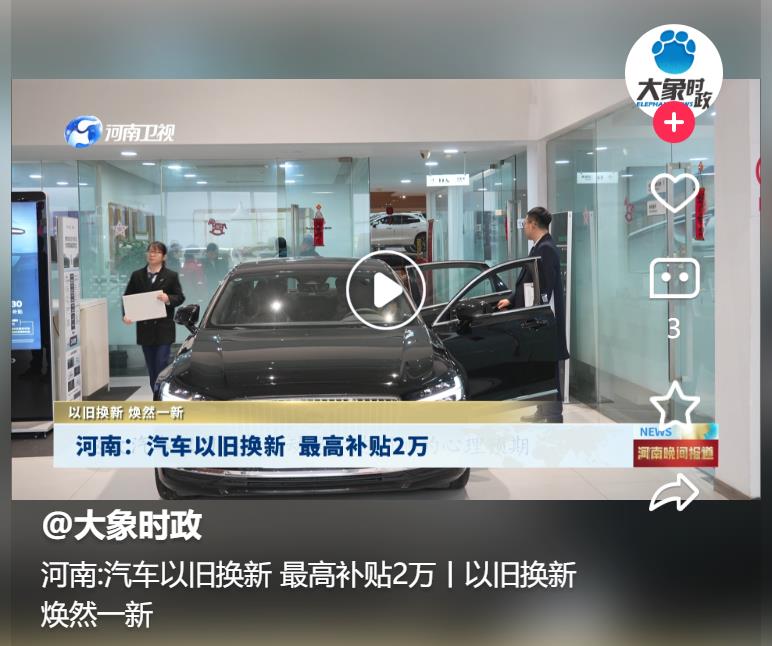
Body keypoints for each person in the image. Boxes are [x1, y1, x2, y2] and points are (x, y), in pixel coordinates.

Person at [497, 206, 569, 422]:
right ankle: (543, 411)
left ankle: (554, 416)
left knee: (548, 369)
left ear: (533, 224)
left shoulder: (546, 249)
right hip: (537, 319)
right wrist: (511, 299)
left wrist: (533, 315)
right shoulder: (539, 246)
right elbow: (528, 282)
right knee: (540, 367)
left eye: (525, 223)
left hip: (541, 321)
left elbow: (544, 289)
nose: (524, 227)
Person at [122, 241, 185, 395]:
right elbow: (128, 297)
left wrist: (168, 298)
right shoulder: (137, 275)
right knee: (151, 368)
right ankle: (157, 396)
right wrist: (127, 314)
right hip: (145, 329)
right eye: (150, 251)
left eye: (156, 252)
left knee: (161, 364)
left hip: (164, 329)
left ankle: (162, 395)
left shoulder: (171, 276)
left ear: (164, 256)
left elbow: (180, 297)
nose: (152, 254)